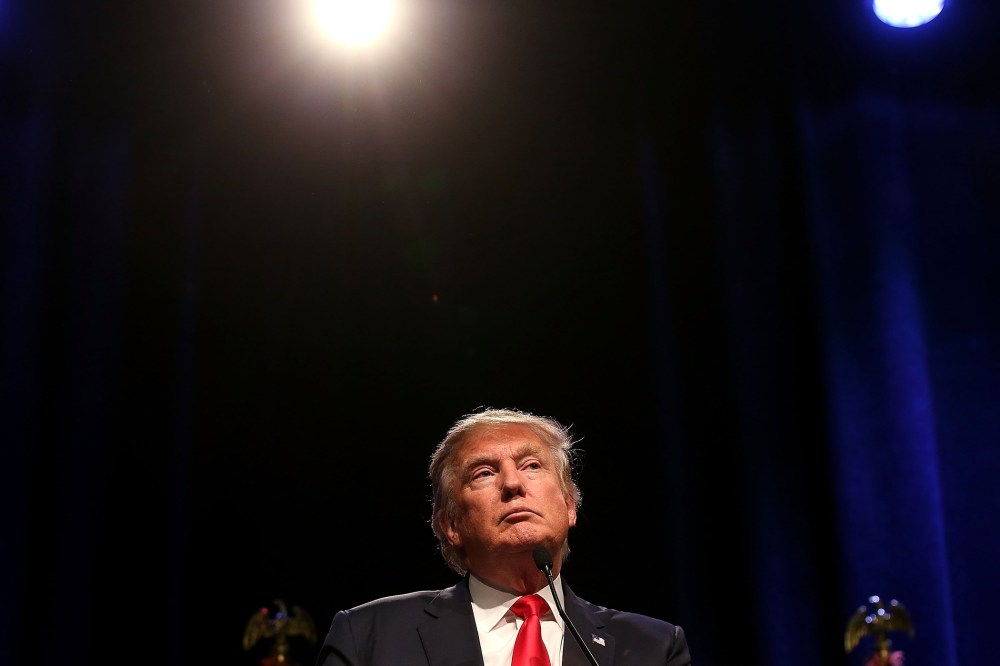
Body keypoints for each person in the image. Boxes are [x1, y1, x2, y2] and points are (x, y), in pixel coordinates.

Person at [315, 407, 692, 666]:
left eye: (532, 465)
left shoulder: (650, 647)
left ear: (569, 504)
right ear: (450, 524)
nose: (512, 483)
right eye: (483, 473)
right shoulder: (370, 636)